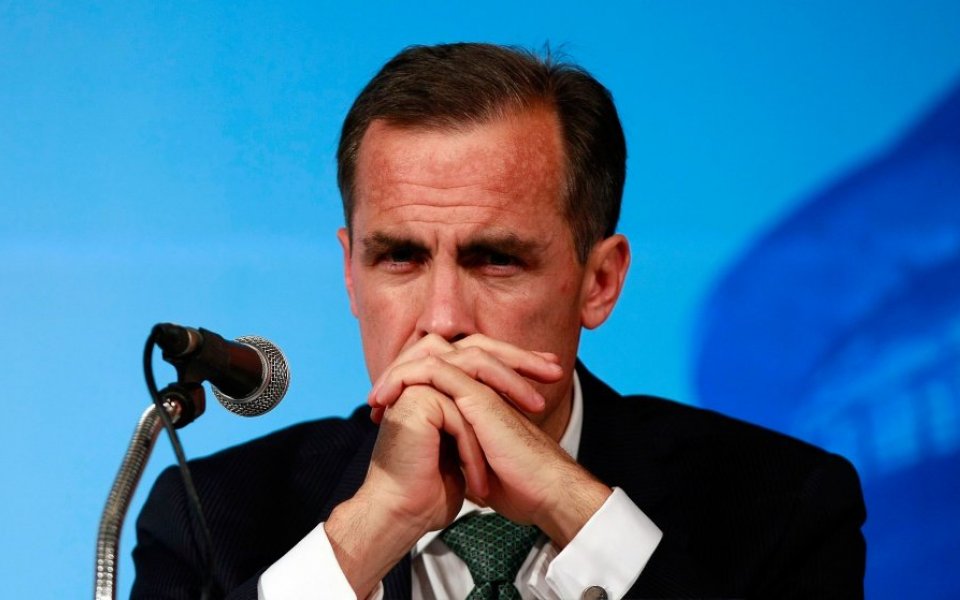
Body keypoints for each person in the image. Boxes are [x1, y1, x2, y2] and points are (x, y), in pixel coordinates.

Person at [132, 43, 866, 599]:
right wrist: (368, 532)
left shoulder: (781, 506)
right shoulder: (210, 518)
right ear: (351, 274)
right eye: (400, 258)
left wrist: (575, 507)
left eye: (496, 260)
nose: (442, 321)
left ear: (600, 282)